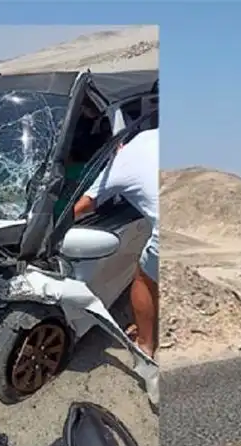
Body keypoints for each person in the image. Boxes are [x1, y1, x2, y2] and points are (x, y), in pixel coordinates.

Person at [72, 128, 159, 359]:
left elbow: (83, 206)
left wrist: (49, 228)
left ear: (115, 150)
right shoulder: (149, 134)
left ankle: (145, 345)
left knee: (143, 280)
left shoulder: (120, 164)